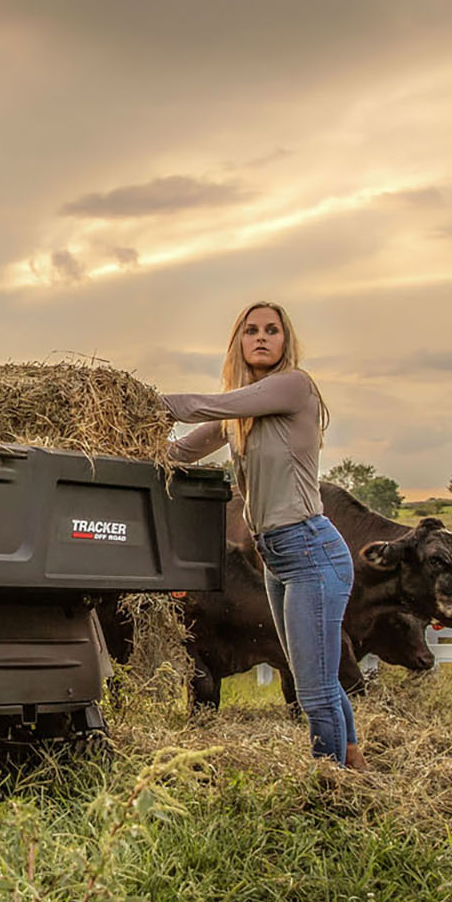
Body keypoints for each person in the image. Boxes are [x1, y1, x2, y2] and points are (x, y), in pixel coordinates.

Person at [162, 302, 368, 771]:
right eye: (251, 330)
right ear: (238, 341)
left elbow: (204, 404)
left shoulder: (294, 386)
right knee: (315, 674)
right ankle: (353, 766)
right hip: (276, 560)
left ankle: (328, 783)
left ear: (285, 340)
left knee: (313, 691)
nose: (261, 337)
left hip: (312, 551)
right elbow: (179, 452)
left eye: (271, 330)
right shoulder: (241, 415)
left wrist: (144, 402)